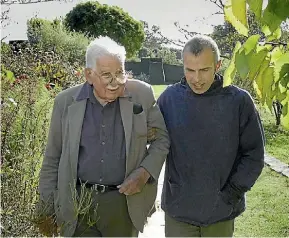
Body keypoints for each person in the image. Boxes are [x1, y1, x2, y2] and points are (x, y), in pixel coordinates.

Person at [35, 37, 170, 237]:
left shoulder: (141, 94)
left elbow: (161, 139)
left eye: (120, 73)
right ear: (89, 75)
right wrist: (46, 209)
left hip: (123, 204)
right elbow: (52, 158)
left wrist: (143, 173)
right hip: (78, 204)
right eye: (107, 75)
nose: (115, 82)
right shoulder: (65, 102)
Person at [157, 35, 265, 237]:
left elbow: (254, 155)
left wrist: (231, 195)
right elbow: (150, 140)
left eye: (204, 70)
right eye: (190, 70)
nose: (197, 79)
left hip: (221, 211)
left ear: (218, 65)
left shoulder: (239, 101)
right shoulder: (169, 99)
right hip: (178, 210)